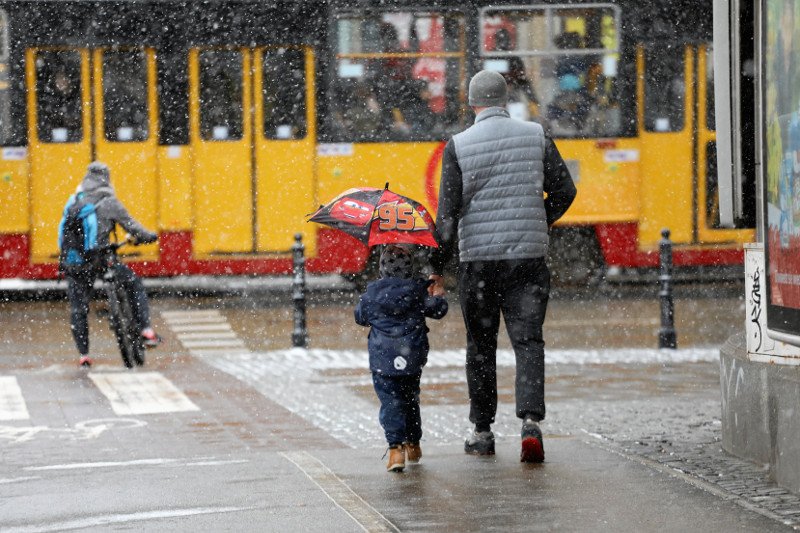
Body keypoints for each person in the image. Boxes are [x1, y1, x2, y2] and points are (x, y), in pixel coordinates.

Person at [428, 70, 577, 463]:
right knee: (528, 341)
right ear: (505, 98)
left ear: (472, 102)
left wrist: (435, 267)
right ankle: (530, 423)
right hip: (527, 257)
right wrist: (538, 218)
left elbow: (446, 217)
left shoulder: (458, 146)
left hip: (478, 261)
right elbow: (565, 190)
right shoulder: (536, 135)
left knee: (481, 346)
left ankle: (482, 430)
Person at [355, 244, 448, 472]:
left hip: (383, 359)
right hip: (412, 356)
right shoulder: (417, 291)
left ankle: (396, 450)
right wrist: (438, 294)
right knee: (410, 399)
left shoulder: (372, 294)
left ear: (381, 269)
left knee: (390, 402)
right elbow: (438, 310)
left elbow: (360, 317)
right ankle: (414, 443)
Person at [59, 162, 162, 367]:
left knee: (79, 309)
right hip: (102, 259)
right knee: (133, 283)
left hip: (77, 262)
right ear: (107, 178)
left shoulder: (73, 202)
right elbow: (134, 228)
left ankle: (84, 355)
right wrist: (149, 237)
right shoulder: (109, 202)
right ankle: (145, 329)